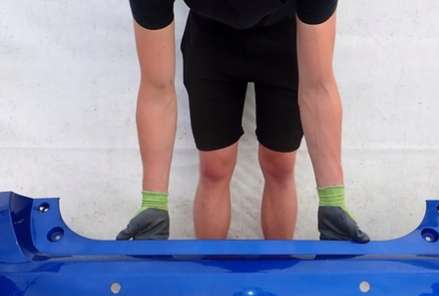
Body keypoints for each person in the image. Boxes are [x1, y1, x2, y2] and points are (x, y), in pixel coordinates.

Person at [117, 0, 369, 243]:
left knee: (280, 163)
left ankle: (278, 265)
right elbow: (157, 89)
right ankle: (211, 267)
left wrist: (333, 201)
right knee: (214, 165)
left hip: (284, 40)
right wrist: (154, 204)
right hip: (210, 41)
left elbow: (318, 86)